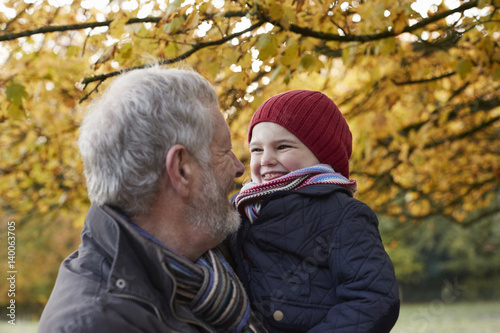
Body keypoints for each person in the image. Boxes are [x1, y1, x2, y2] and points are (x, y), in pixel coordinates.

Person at [38, 67, 267, 333]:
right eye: (225, 151)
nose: (240, 168)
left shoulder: (210, 264)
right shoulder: (95, 325)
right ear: (182, 170)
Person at [228, 90, 400, 332]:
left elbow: (373, 298)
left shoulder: (343, 214)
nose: (265, 159)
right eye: (256, 149)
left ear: (322, 155)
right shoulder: (240, 209)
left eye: (283, 146)